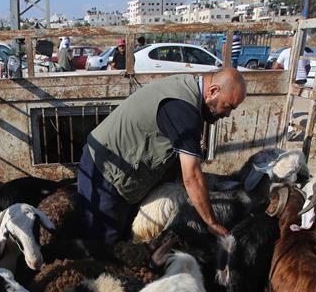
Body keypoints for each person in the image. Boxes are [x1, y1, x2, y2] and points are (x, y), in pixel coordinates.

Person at [77, 68, 247, 244]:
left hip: (124, 170)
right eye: (228, 106)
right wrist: (211, 222)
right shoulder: (183, 109)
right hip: (106, 170)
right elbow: (192, 177)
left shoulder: (187, 88)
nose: (227, 114)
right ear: (213, 91)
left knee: (125, 237)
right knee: (102, 242)